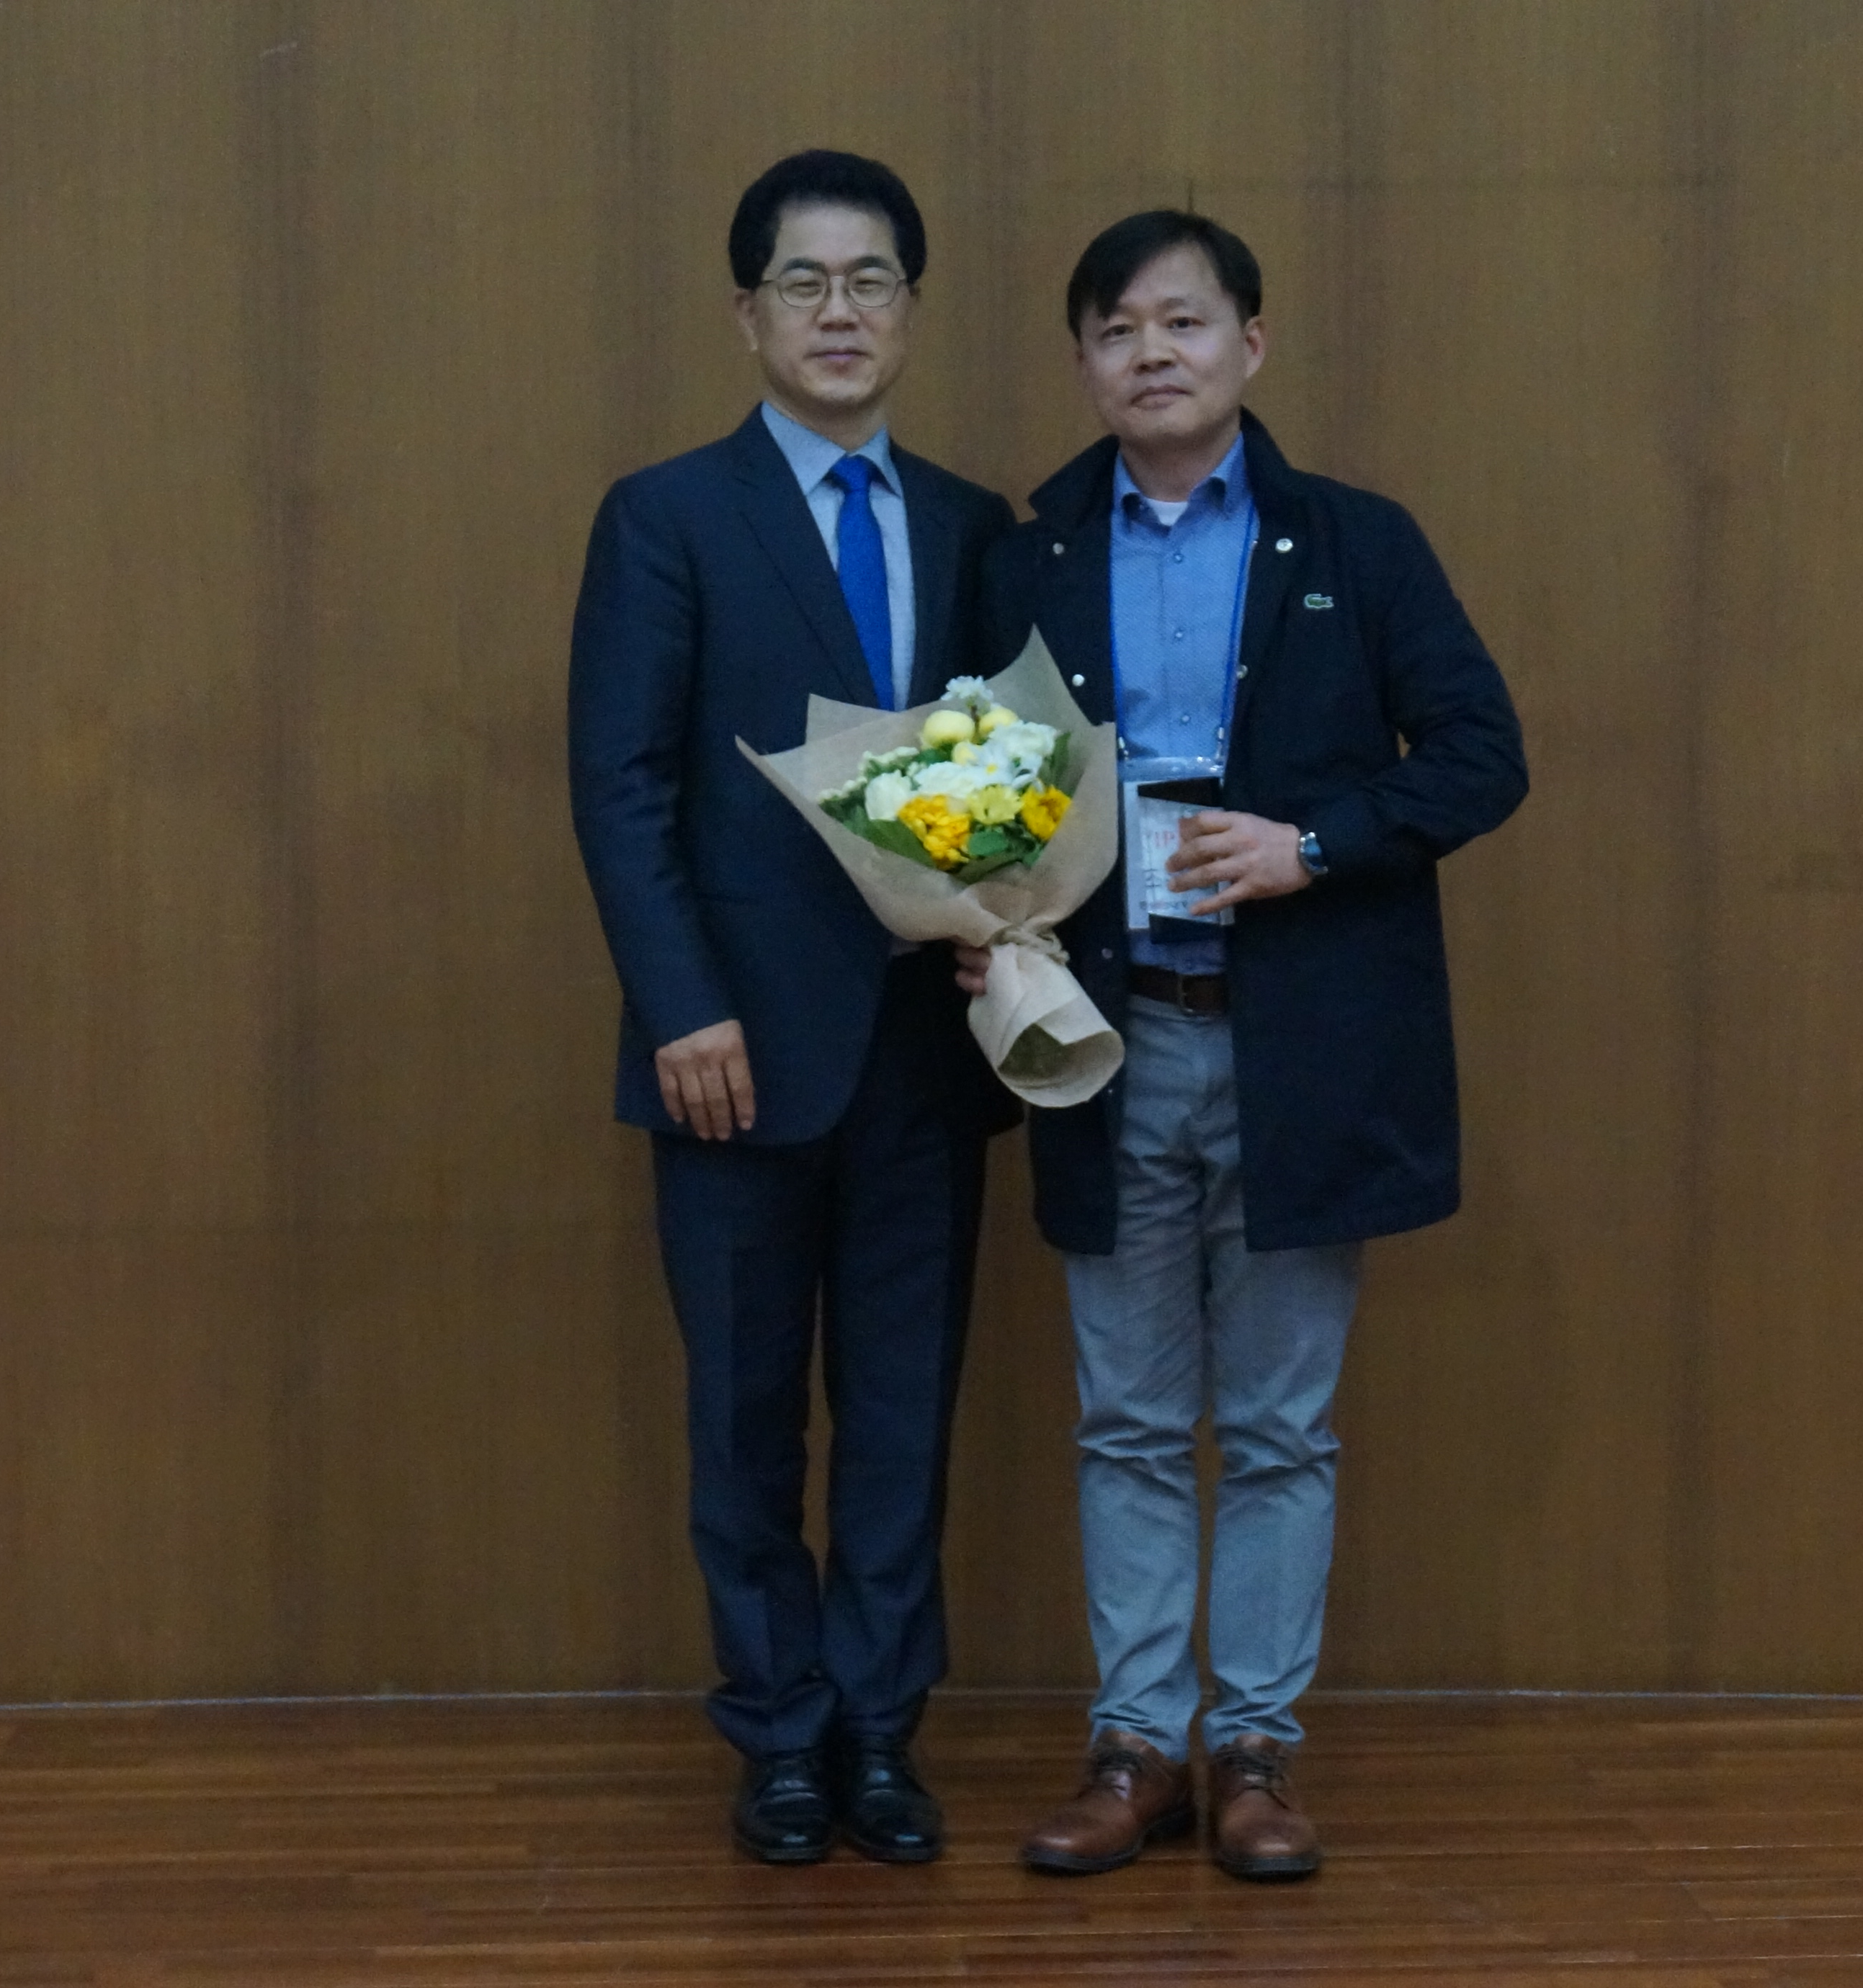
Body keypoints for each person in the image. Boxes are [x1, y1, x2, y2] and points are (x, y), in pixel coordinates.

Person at [967, 210, 1527, 1881]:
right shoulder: (1026, 555)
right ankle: (1136, 1748)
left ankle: (1256, 1751)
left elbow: (1480, 754)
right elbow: (971, 788)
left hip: (1300, 1043)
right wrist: (975, 911)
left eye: (1182, 321)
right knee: (1127, 1422)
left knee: (1279, 1427)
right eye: (1115, 329)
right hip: (1104, 1041)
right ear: (1083, 364)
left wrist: (1314, 844)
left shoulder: (1354, 541)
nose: (1150, 353)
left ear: (1249, 345)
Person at [566, 151, 1017, 1865]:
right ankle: (775, 1735)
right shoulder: (666, 516)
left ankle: (878, 1736)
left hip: (920, 1052)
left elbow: (1006, 770)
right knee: (748, 1418)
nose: (840, 312)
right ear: (745, 314)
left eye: (871, 279)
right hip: (731, 1058)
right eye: (804, 282)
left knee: (901, 1414)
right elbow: (620, 785)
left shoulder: (972, 526)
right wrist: (680, 1006)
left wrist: (1008, 918)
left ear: (911, 310)